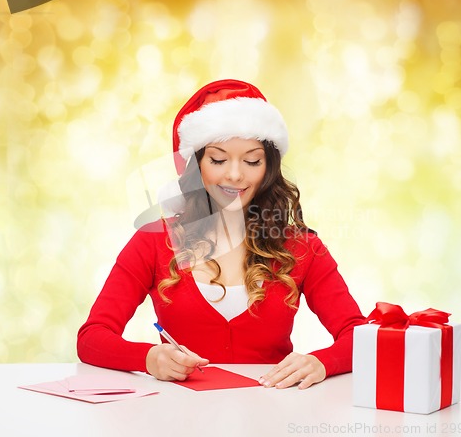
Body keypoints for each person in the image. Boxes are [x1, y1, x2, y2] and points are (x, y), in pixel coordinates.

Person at [77, 79, 366, 390]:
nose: (235, 174)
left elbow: (360, 337)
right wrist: (149, 358)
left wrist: (322, 362)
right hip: (177, 418)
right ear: (197, 165)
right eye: (218, 159)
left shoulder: (302, 247)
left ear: (268, 166)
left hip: (273, 416)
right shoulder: (154, 240)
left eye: (252, 160)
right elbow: (92, 337)